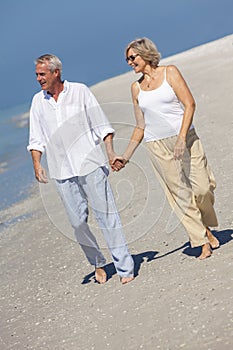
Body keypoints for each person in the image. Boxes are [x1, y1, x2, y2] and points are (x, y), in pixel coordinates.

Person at [27, 54, 134, 284]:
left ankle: (125, 268)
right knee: (77, 223)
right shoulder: (38, 102)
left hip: (91, 164)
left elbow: (102, 125)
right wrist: (37, 164)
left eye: (42, 74)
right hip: (62, 171)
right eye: (36, 74)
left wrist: (111, 153)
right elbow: (36, 139)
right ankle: (97, 262)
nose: (38, 79)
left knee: (108, 217)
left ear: (56, 72)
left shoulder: (80, 91)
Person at [112, 37, 219, 259]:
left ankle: (204, 225)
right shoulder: (136, 88)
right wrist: (126, 156)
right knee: (180, 195)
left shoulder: (170, 72)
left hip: (185, 138)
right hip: (156, 145)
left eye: (132, 58)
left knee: (202, 189)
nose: (130, 62)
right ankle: (201, 240)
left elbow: (190, 104)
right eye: (127, 60)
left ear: (146, 54)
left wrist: (181, 138)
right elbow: (141, 126)